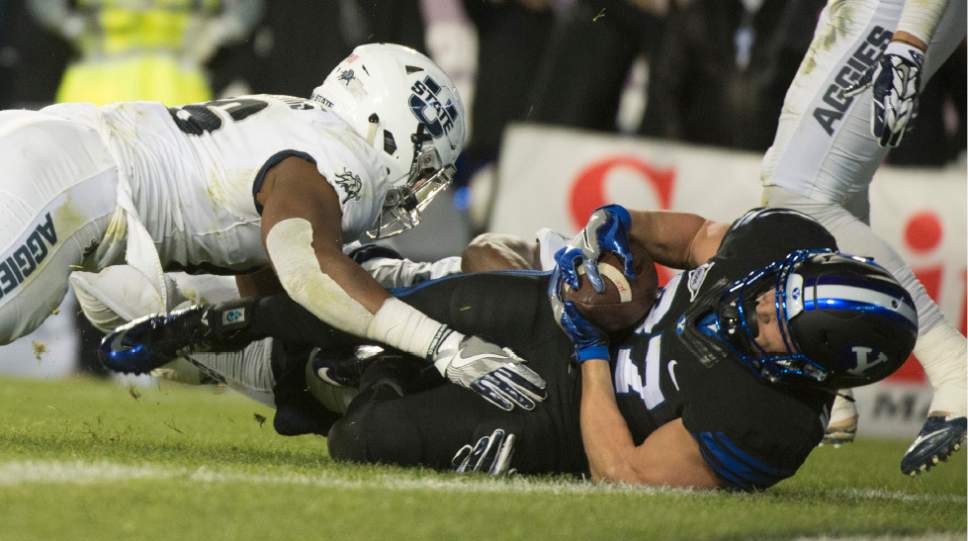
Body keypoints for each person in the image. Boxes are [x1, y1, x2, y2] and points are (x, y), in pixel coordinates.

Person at [100, 205, 918, 489]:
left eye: (780, 319)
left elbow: (626, 472)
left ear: (808, 370)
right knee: (401, 309)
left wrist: (592, 348)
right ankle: (216, 327)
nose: (761, 302)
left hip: (568, 416)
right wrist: (628, 224)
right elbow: (702, 234)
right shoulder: (778, 244)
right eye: (779, 285)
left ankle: (333, 392)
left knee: (367, 438)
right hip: (557, 322)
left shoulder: (766, 420)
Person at [0, 43, 545, 413]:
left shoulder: (304, 126)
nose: (418, 184)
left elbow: (266, 298)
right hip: (75, 183)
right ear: (388, 130)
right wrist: (445, 345)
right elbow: (306, 267)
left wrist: (193, 332)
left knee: (240, 344)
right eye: (424, 163)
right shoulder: (343, 161)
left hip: (86, 190)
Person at [759, 0, 967, 474]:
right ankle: (829, 375)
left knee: (796, 192)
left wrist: (908, 42)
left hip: (892, 10)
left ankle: (952, 360)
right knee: (799, 179)